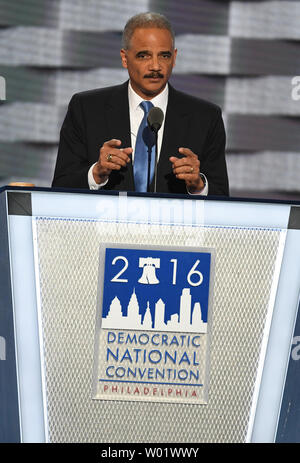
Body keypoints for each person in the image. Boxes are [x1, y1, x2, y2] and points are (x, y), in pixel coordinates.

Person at [52, 12, 229, 196]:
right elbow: (60, 187)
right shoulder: (86, 109)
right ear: (124, 58)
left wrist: (198, 186)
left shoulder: (206, 117)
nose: (155, 66)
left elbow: (223, 199)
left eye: (164, 56)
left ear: (174, 58)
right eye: (144, 56)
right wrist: (96, 173)